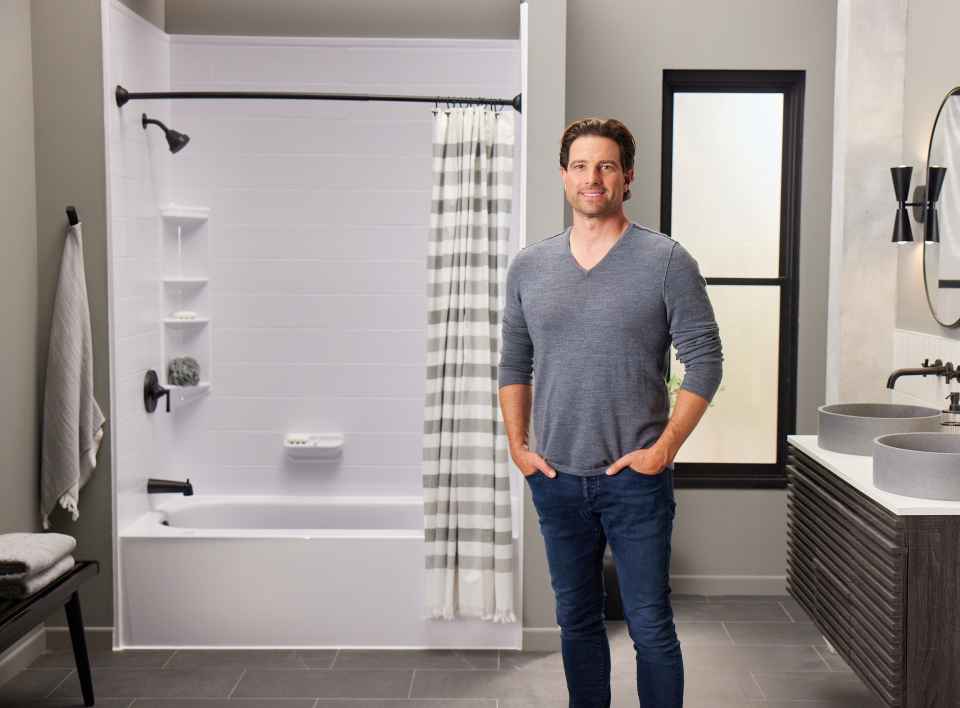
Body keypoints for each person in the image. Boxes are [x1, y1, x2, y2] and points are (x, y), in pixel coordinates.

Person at [498, 118, 723, 708]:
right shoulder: (529, 267)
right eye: (579, 166)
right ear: (564, 177)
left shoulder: (667, 261)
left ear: (627, 177)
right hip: (555, 478)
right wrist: (519, 447)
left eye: (605, 166)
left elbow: (705, 362)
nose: (591, 178)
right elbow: (513, 365)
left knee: (649, 628)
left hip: (636, 481)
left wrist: (663, 450)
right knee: (576, 622)